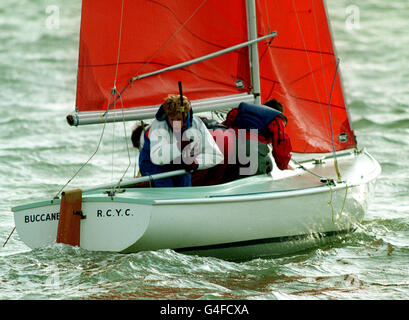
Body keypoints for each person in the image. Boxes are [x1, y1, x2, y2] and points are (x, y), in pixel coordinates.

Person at [137, 94, 224, 187]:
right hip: (153, 165)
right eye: (172, 119)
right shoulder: (158, 125)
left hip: (180, 163)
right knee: (166, 188)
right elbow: (157, 158)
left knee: (185, 188)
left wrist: (196, 163)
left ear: (185, 115)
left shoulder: (196, 123)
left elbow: (216, 155)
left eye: (179, 119)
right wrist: (178, 147)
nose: (175, 124)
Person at [222, 99, 293, 177]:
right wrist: (283, 165)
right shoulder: (275, 118)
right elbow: (281, 141)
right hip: (252, 150)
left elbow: (225, 126)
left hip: (228, 148)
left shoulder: (239, 111)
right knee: (268, 164)